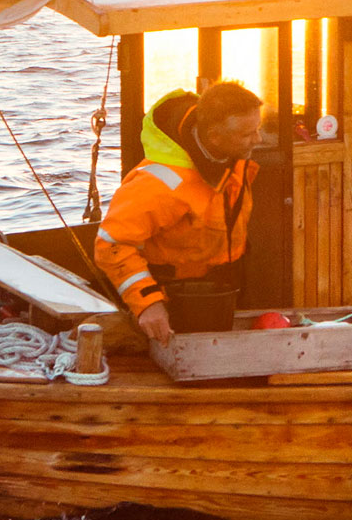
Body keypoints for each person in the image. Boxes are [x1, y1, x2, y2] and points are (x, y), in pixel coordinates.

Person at [94, 80, 265, 346]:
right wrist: (148, 303)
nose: (258, 139)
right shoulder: (161, 185)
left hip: (227, 290)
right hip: (179, 306)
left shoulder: (228, 154)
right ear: (214, 138)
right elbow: (111, 244)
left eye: (257, 129)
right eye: (247, 134)